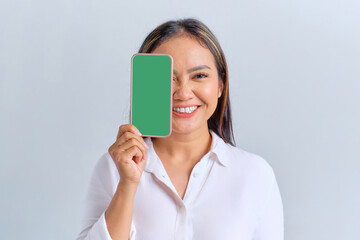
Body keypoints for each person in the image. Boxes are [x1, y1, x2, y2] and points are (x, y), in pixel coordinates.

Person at [76, 18, 284, 240]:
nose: (183, 93)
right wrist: (128, 185)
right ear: (146, 85)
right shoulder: (112, 169)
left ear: (221, 86)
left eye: (199, 76)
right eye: (168, 78)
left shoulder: (255, 174)